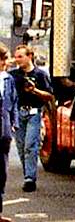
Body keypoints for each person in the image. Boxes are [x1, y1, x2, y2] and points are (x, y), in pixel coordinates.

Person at [10, 45, 53, 192]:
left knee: (30, 145)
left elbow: (49, 96)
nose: (17, 60)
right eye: (16, 56)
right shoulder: (13, 75)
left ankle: (30, 178)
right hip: (18, 114)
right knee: (21, 147)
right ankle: (27, 174)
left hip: (34, 113)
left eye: (20, 56)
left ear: (30, 56)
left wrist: (34, 90)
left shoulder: (40, 75)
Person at [0, 45, 18, 222]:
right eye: (1, 60)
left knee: (1, 173)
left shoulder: (8, 80)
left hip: (3, 132)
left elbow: (13, 102)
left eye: (5, 59)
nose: (4, 63)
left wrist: (14, 123)